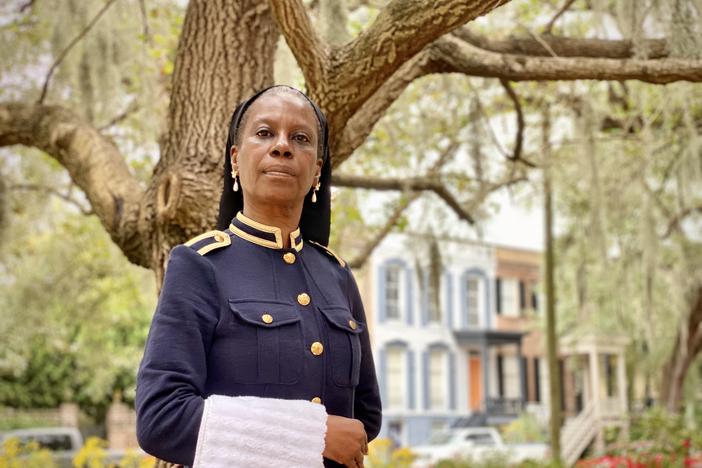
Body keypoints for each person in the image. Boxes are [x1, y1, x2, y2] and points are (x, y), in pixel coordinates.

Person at [135, 85, 382, 468]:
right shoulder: (200, 265)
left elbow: (364, 416)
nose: (282, 146)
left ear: (317, 168)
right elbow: (160, 419)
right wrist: (310, 436)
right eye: (265, 133)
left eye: (300, 138)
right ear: (235, 159)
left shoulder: (337, 275)